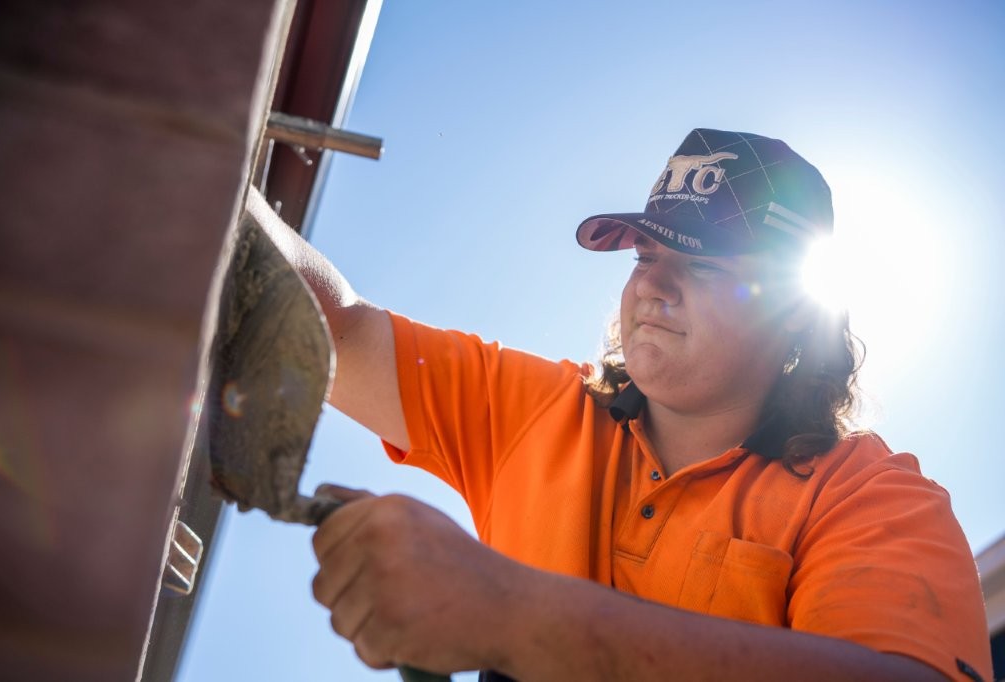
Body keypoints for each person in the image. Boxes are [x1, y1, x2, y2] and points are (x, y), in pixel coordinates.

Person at [259, 128, 992, 681]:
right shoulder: (543, 411)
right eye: (645, 257)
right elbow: (335, 330)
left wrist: (511, 612)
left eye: (701, 266)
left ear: (799, 312)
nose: (652, 287)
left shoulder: (871, 497)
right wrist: (207, 179)